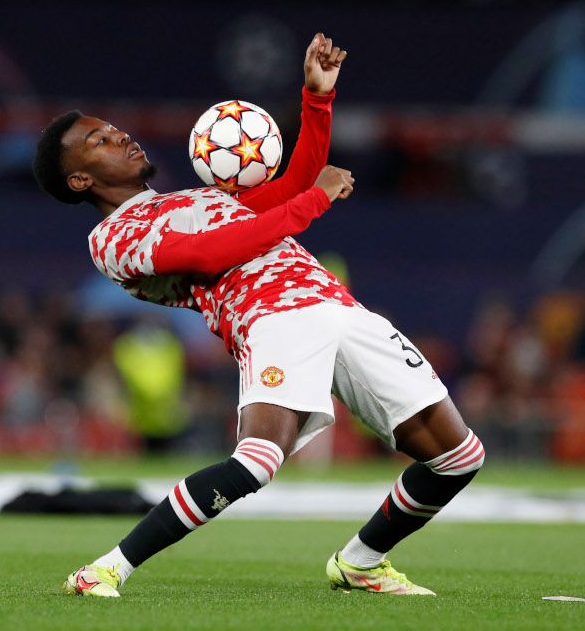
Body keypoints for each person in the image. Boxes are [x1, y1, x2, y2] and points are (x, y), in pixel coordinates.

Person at [32, 33, 484, 597]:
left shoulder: (191, 199)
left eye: (112, 127)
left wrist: (317, 100)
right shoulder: (113, 238)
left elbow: (292, 186)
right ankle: (104, 569)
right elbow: (213, 253)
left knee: (458, 457)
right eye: (98, 139)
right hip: (271, 319)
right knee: (256, 461)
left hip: (339, 307)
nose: (119, 135)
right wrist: (314, 200)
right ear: (80, 180)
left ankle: (361, 562)